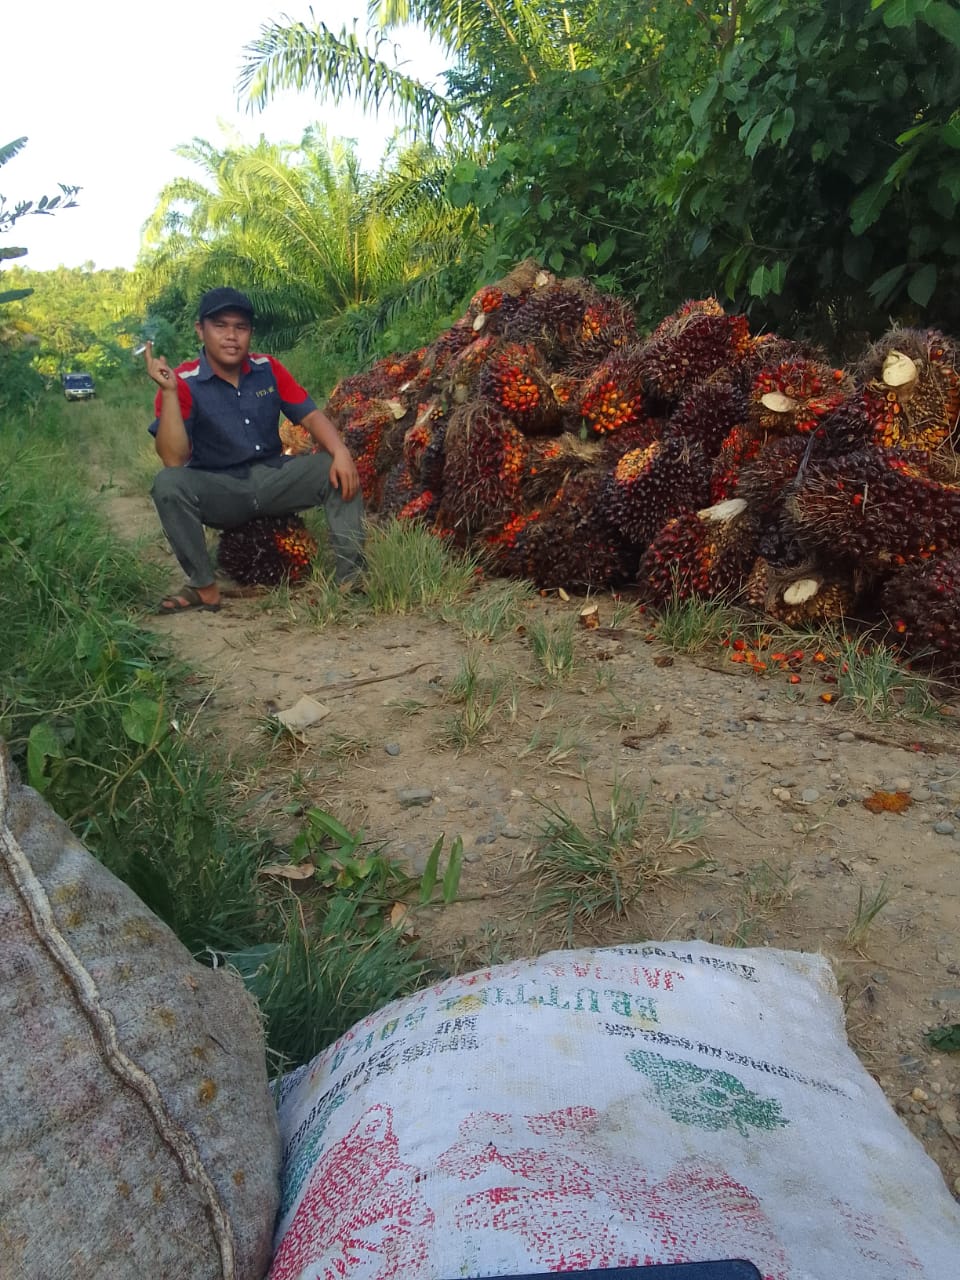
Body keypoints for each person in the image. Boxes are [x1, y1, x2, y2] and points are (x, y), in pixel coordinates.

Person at [144, 287, 363, 614]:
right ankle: (204, 587)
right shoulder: (182, 381)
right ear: (200, 330)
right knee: (168, 484)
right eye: (220, 326)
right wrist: (171, 393)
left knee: (334, 468)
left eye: (240, 327)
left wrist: (341, 452)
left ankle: (352, 580)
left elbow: (311, 415)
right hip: (221, 489)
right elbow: (173, 459)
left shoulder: (267, 368)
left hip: (273, 479)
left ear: (250, 333)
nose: (231, 336)